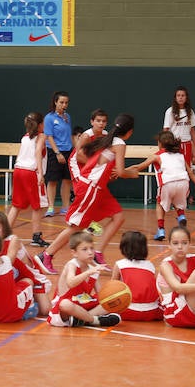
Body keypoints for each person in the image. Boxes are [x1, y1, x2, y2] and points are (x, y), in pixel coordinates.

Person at [35, 113, 140, 274]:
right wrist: (130, 173)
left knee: (118, 216)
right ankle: (46, 255)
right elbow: (119, 170)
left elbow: (104, 164)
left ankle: (97, 253)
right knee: (76, 226)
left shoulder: (107, 139)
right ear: (130, 132)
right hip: (91, 186)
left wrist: (111, 170)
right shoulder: (118, 143)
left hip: (98, 187)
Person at [132, 131, 195, 241]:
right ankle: (181, 216)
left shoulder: (156, 156)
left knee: (160, 203)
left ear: (160, 143)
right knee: (177, 199)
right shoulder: (180, 156)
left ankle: (161, 229)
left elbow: (138, 167)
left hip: (168, 183)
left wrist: (121, 170)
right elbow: (191, 174)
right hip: (184, 182)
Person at [0, 210, 51, 316]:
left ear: (4, 228)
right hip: (12, 278)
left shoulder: (13, 240)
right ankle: (23, 301)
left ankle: (30, 301)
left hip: (32, 277)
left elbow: (8, 263)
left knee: (45, 310)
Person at [46, 231, 121, 328]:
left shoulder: (93, 270)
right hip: (67, 307)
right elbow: (71, 283)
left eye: (92, 248)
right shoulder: (72, 265)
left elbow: (101, 295)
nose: (90, 252)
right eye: (84, 249)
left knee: (110, 302)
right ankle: (94, 320)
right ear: (74, 253)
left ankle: (82, 319)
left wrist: (114, 295)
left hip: (83, 303)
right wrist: (88, 273)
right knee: (65, 305)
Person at [6, 112, 49, 248]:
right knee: (37, 206)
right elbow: (37, 152)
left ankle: (3, 234)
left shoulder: (24, 138)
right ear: (41, 124)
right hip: (31, 172)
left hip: (18, 170)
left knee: (16, 205)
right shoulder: (41, 136)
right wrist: (41, 173)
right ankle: (36, 237)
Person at [68, 109, 108, 235]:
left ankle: (88, 222)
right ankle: (75, 220)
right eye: (98, 121)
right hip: (77, 163)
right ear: (92, 122)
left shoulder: (105, 135)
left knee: (92, 192)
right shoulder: (86, 136)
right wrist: (96, 166)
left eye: (103, 121)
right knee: (82, 192)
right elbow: (78, 155)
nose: (100, 124)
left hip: (89, 164)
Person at [111, 231, 162, 321]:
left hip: (127, 311)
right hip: (152, 312)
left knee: (102, 299)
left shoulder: (119, 264)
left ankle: (92, 317)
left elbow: (111, 289)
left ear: (124, 248)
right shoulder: (150, 265)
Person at [43, 91, 72, 217]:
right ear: (55, 102)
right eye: (61, 102)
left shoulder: (67, 117)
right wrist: (57, 153)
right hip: (54, 152)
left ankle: (65, 207)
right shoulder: (49, 118)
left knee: (67, 180)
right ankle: (50, 207)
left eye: (66, 102)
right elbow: (49, 137)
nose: (64, 105)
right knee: (52, 180)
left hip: (68, 151)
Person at [163, 86, 195, 167]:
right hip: (174, 144)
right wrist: (166, 146)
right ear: (175, 98)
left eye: (183, 95)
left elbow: (192, 130)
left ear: (186, 97)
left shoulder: (190, 111)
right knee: (175, 167)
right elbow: (165, 130)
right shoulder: (170, 111)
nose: (180, 98)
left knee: (187, 168)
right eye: (178, 95)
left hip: (187, 144)